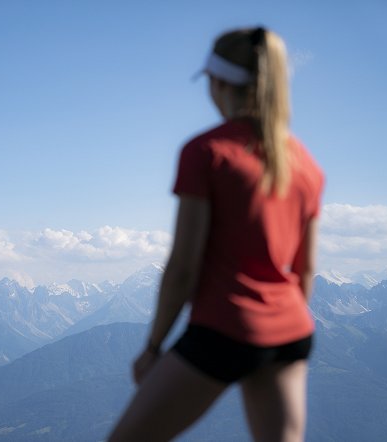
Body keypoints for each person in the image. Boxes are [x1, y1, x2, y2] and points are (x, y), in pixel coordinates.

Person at [108, 27, 324, 442]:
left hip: (224, 329)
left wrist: (153, 348)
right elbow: (306, 270)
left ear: (219, 81)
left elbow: (183, 267)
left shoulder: (207, 152)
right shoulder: (306, 165)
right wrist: (280, 324)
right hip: (292, 333)